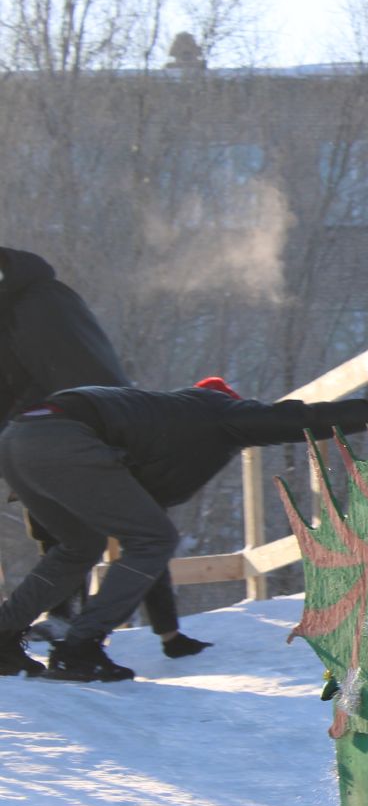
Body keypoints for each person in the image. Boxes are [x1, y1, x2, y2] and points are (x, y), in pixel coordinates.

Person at [0, 377, 368, 681]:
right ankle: (79, 649)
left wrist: (169, 635)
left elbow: (143, 557)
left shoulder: (154, 422)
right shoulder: (217, 413)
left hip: (20, 436)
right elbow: (296, 419)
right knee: (148, 538)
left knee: (81, 545)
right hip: (62, 437)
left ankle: (5, 634)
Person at [0, 246, 202, 656]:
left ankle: (82, 633)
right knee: (80, 532)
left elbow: (71, 371)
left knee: (127, 529)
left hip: (70, 430)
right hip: (57, 429)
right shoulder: (31, 300)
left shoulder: (39, 303)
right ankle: (70, 625)